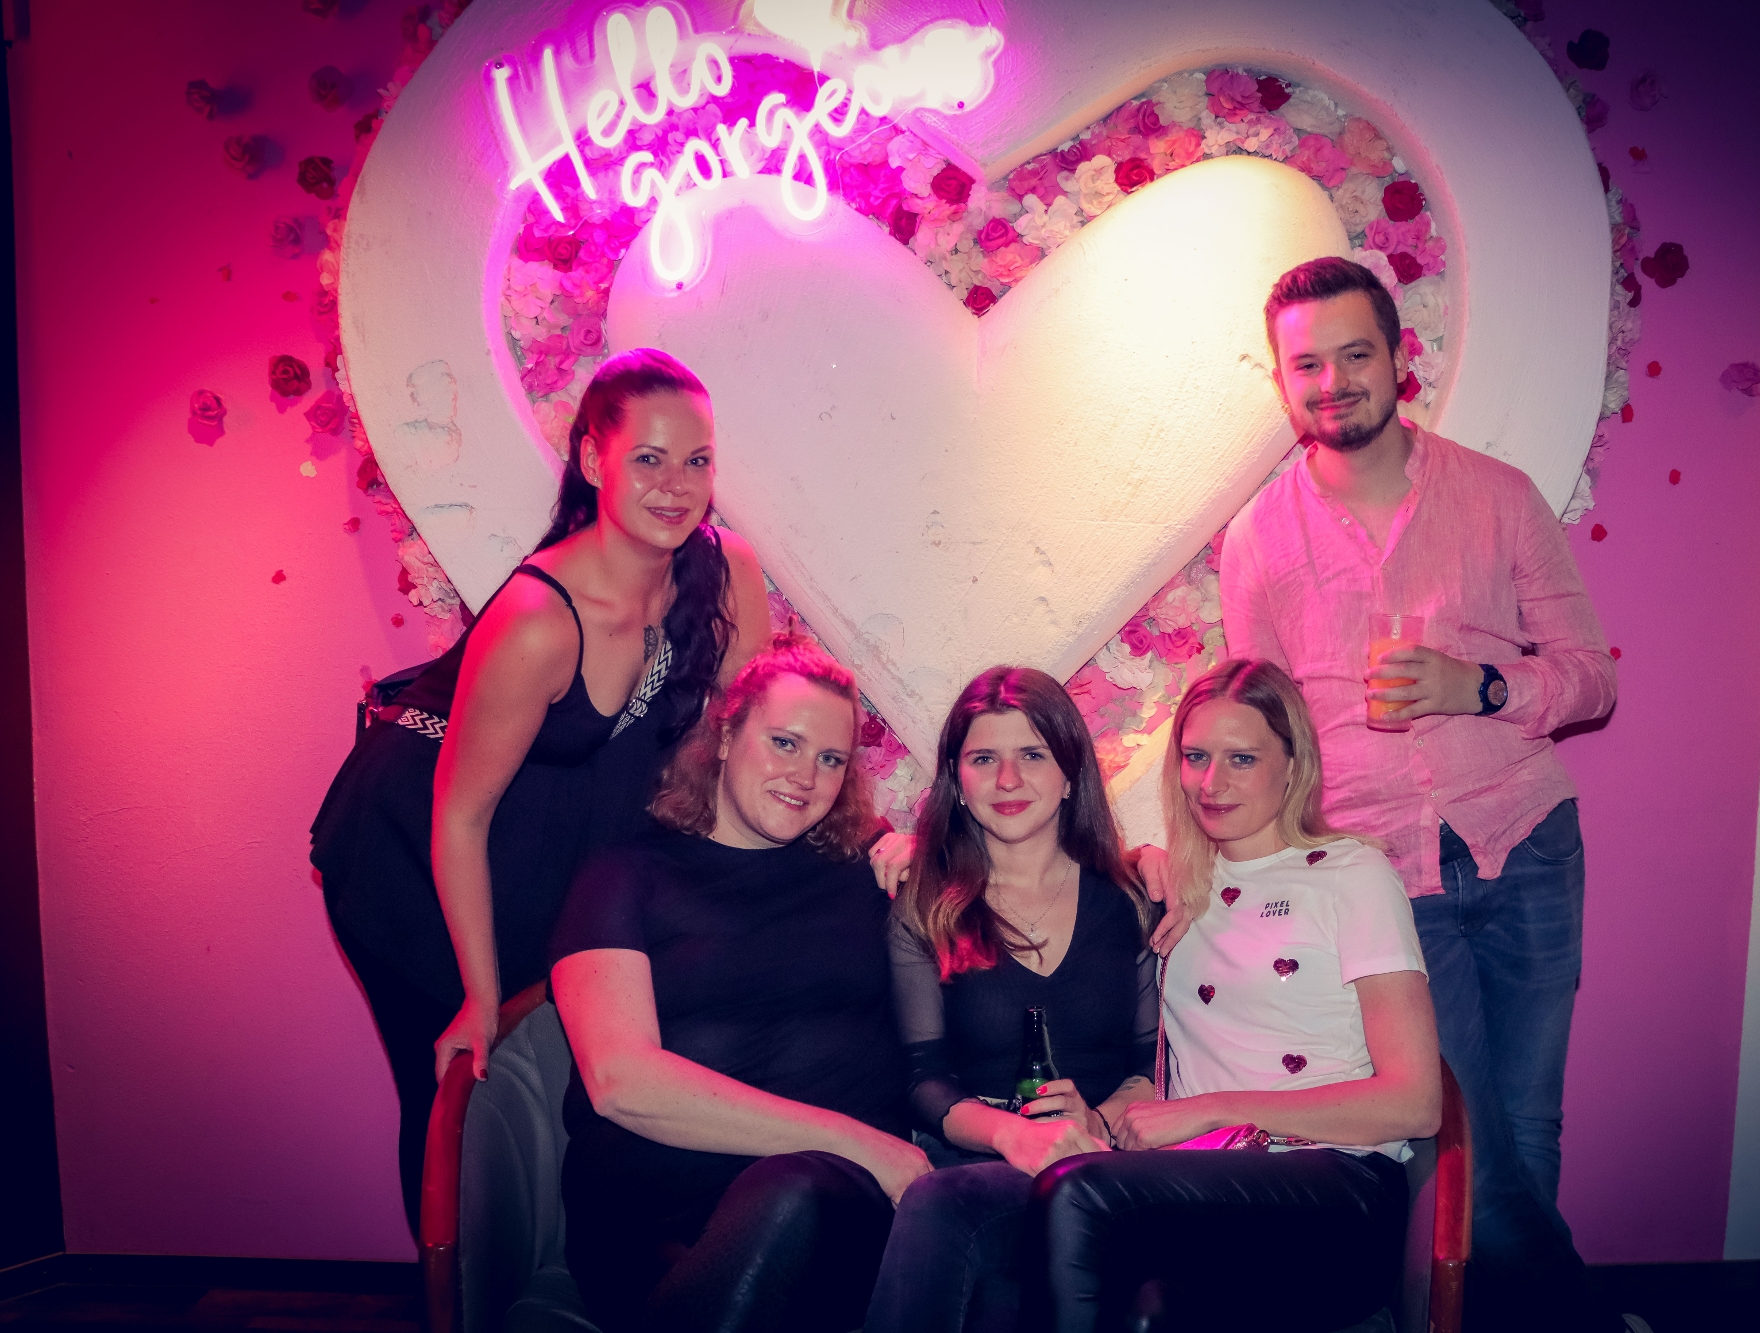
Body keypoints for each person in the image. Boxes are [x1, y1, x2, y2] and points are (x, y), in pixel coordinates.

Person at [1218, 255, 1621, 1331]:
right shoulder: (1255, 539)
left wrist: (1476, 685)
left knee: (1527, 1129)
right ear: (1280, 380)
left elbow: (1591, 676)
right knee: (1465, 1151)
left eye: (1354, 354)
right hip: (1381, 876)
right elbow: (1258, 732)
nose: (1332, 381)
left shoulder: (1498, 496)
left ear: (1400, 358)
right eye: (1307, 364)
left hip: (1524, 836)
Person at [310, 349, 770, 1234]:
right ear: (594, 459)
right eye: (649, 458)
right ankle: (458, 1290)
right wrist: (479, 996)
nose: (677, 485)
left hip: (550, 835)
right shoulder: (538, 620)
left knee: (581, 1075)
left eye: (697, 460)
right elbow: (460, 812)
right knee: (460, 1096)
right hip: (414, 851)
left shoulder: (725, 571)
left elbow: (745, 733)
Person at [1022, 657, 1438, 1331]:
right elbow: (1043, 871)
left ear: (1293, 764)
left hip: (1335, 1193)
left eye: (1242, 758)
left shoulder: (1353, 874)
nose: (1211, 783)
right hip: (1208, 1184)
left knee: (1076, 1192)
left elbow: (1416, 1102)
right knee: (1150, 1312)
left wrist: (1211, 1109)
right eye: (1196, 757)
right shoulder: (1181, 885)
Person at [551, 635, 929, 1333]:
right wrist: (862, 1143)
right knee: (780, 1200)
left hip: (831, 1210)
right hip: (654, 1219)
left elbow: (1020, 895)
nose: (805, 776)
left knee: (792, 1195)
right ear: (726, 737)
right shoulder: (623, 876)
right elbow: (619, 1080)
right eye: (785, 743)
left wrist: (1135, 864)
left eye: (831, 759)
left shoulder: (865, 873)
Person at [863, 667, 1158, 1333]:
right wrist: (1011, 1133)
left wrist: (1097, 1122)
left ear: (1070, 773)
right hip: (973, 1165)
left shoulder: (1128, 900)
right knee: (965, 1244)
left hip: (1099, 1166)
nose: (1007, 780)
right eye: (983, 759)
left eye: (1032, 755)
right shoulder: (927, 906)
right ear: (956, 780)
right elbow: (923, 1079)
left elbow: (1150, 1066)